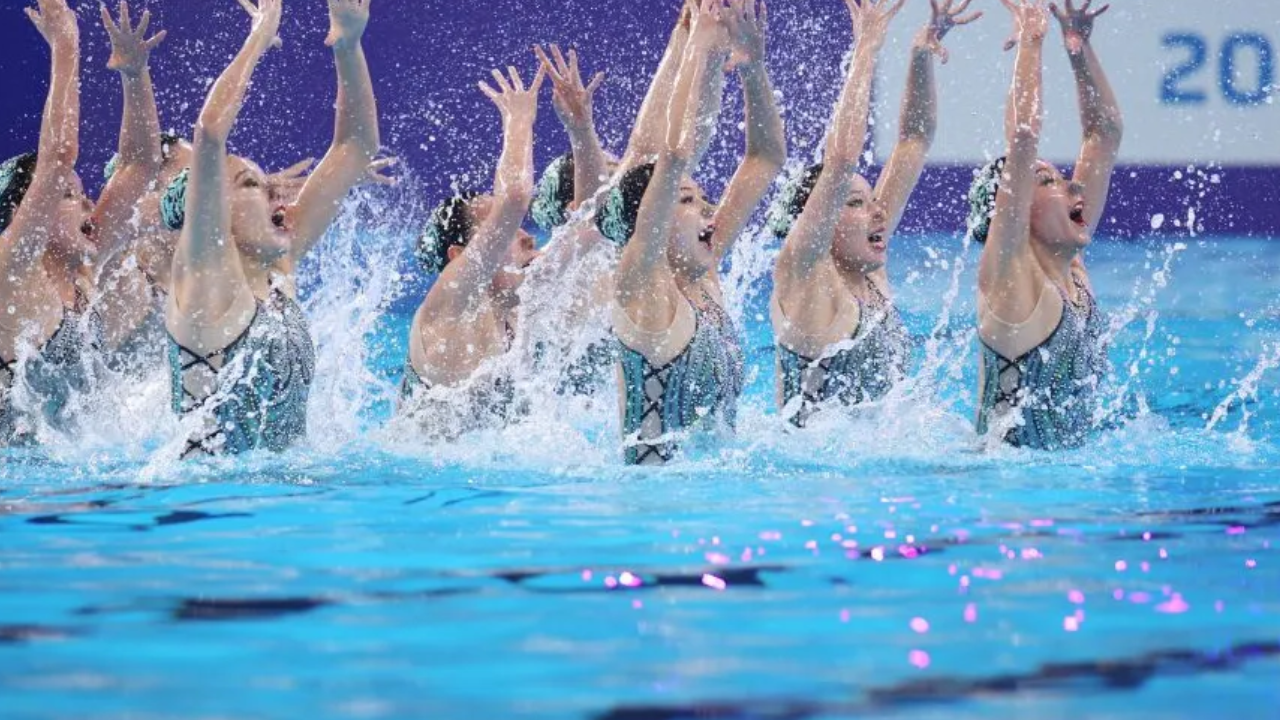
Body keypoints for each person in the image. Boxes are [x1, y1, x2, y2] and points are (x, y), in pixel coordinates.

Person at [165, 0, 380, 458]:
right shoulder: (206, 280)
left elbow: (356, 146)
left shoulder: (278, 267)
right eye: (250, 184)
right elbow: (209, 134)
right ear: (211, 210)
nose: (276, 196)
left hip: (280, 501)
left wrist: (348, 44)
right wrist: (259, 36)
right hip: (204, 506)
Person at [768, 0, 978, 426]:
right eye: (855, 203)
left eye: (871, 201)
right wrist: (866, 47)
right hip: (809, 481)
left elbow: (914, 139)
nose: (878, 212)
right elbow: (840, 161)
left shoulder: (870, 273)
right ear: (818, 220)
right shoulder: (805, 273)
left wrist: (920, 55)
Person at [602, 0, 786, 465]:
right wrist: (701, 50)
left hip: (711, 496)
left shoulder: (702, 272)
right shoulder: (642, 282)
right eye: (687, 201)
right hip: (646, 505)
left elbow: (765, 159)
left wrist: (753, 68)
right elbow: (674, 153)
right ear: (652, 215)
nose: (708, 212)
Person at [0, 0, 166, 444]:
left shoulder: (82, 269)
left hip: (72, 480)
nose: (89, 200)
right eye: (68, 196)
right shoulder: (11, 271)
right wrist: (65, 45)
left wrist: (133, 74)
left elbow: (141, 164)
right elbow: (57, 158)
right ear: (24, 212)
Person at [968, 0, 1122, 450]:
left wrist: (1078, 49)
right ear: (1014, 210)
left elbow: (1104, 135)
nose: (1077, 190)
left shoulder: (1070, 268)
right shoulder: (1012, 280)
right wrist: (1033, 39)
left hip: (1058, 481)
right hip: (1003, 492)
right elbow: (1022, 137)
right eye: (1049, 181)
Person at [400, 63, 545, 436]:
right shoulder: (452, 306)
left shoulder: (519, 312)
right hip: (421, 489)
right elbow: (514, 196)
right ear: (459, 257)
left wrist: (581, 130)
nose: (527, 236)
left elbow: (592, 230)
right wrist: (518, 122)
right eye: (500, 230)